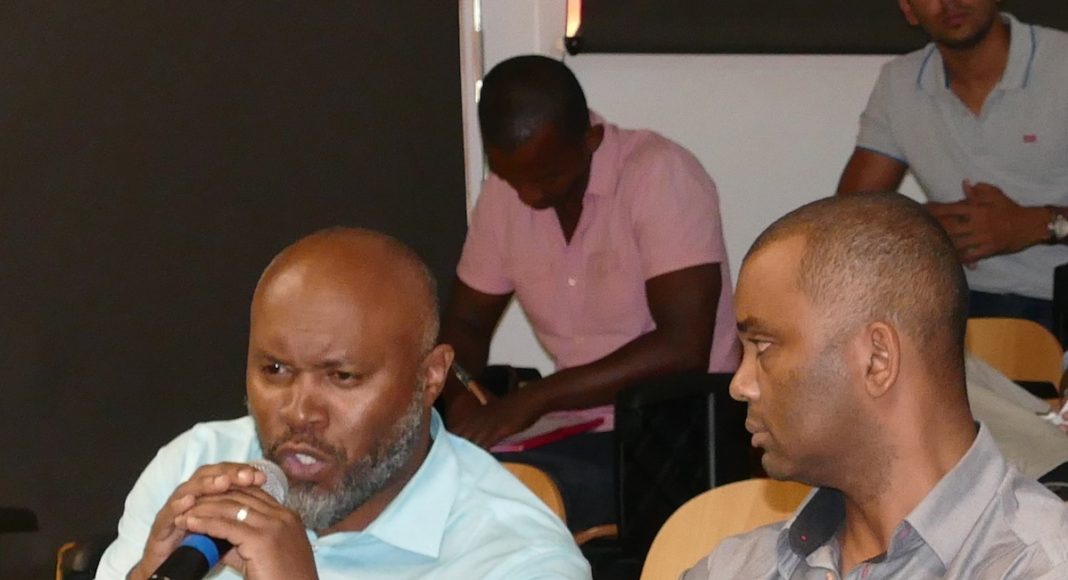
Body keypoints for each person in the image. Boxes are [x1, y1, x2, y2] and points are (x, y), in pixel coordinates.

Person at [95, 228, 590, 580]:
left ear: (430, 377)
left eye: (342, 377)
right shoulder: (193, 468)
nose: (299, 412)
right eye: (275, 370)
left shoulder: (517, 561)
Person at [684, 193, 1068, 579]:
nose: (740, 385)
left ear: (877, 359)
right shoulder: (733, 568)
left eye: (763, 346)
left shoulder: (1042, 565)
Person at [439, 55, 739, 530]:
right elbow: (467, 324)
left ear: (590, 141)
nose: (529, 196)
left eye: (547, 177)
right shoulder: (504, 194)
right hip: (570, 429)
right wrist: (458, 398)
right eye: (513, 178)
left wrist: (533, 400)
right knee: (434, 487)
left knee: (504, 501)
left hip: (677, 431)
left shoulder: (659, 174)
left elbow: (683, 346)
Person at [836, 1, 1068, 332]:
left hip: (1058, 299)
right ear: (909, 10)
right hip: (956, 306)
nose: (948, 2)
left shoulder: (1061, 63)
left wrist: (1038, 224)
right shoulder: (899, 82)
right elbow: (847, 218)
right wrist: (918, 228)